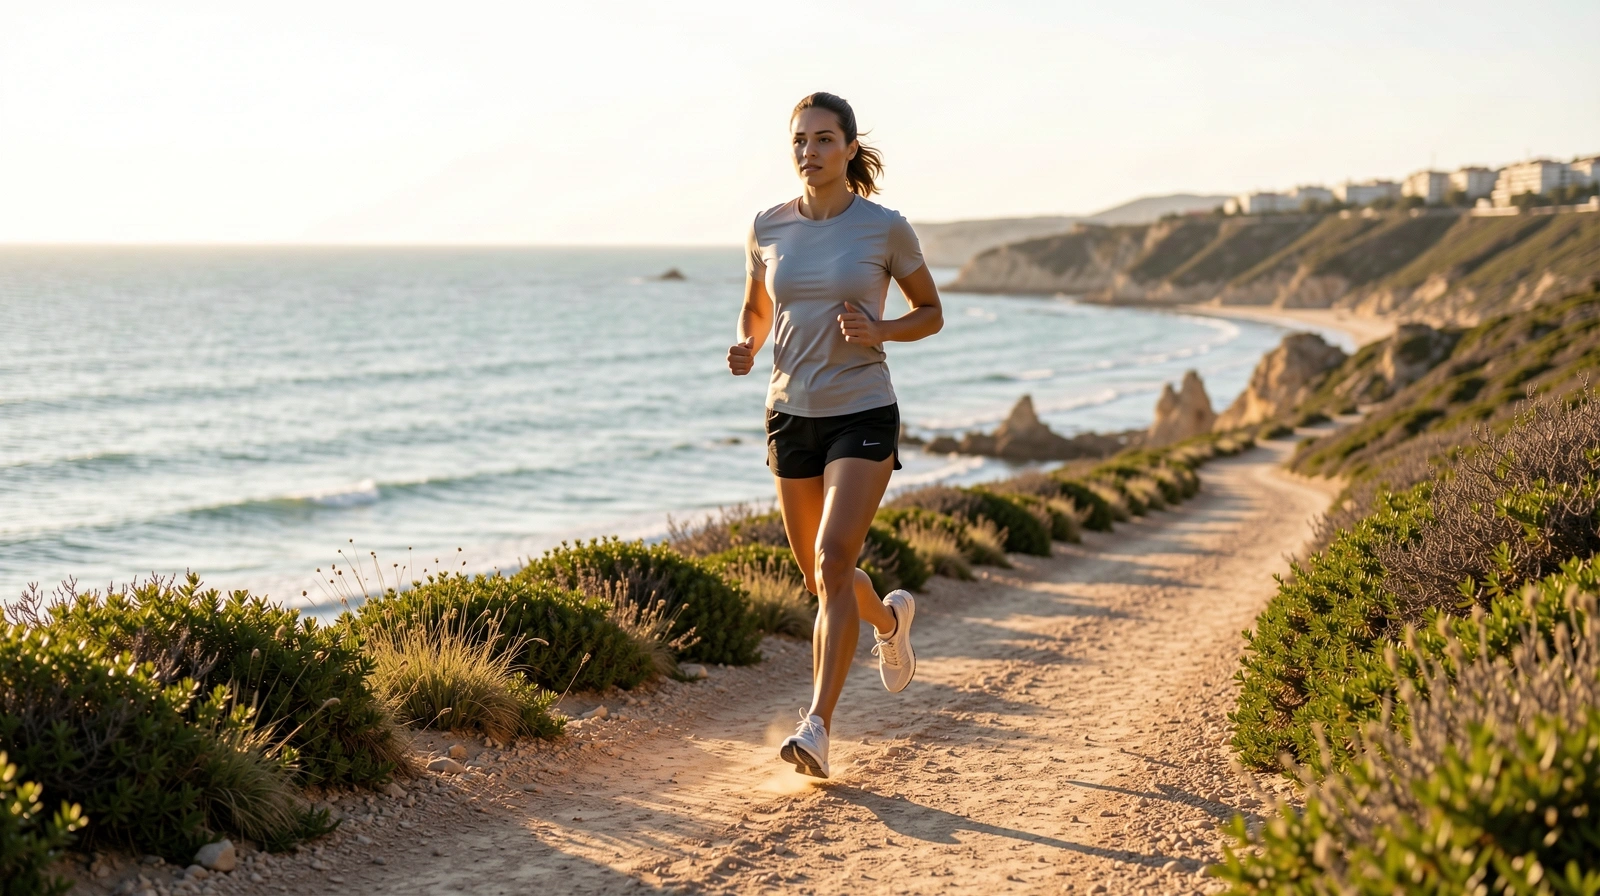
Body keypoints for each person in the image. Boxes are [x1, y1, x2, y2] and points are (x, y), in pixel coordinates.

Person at [726, 92, 944, 778]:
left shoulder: (885, 229)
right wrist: (745, 346)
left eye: (824, 139)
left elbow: (931, 312)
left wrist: (881, 330)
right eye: (800, 140)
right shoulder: (767, 225)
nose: (809, 152)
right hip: (791, 412)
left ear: (850, 148)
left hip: (863, 409)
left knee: (832, 560)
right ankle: (888, 623)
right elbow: (758, 309)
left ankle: (817, 725)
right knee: (824, 580)